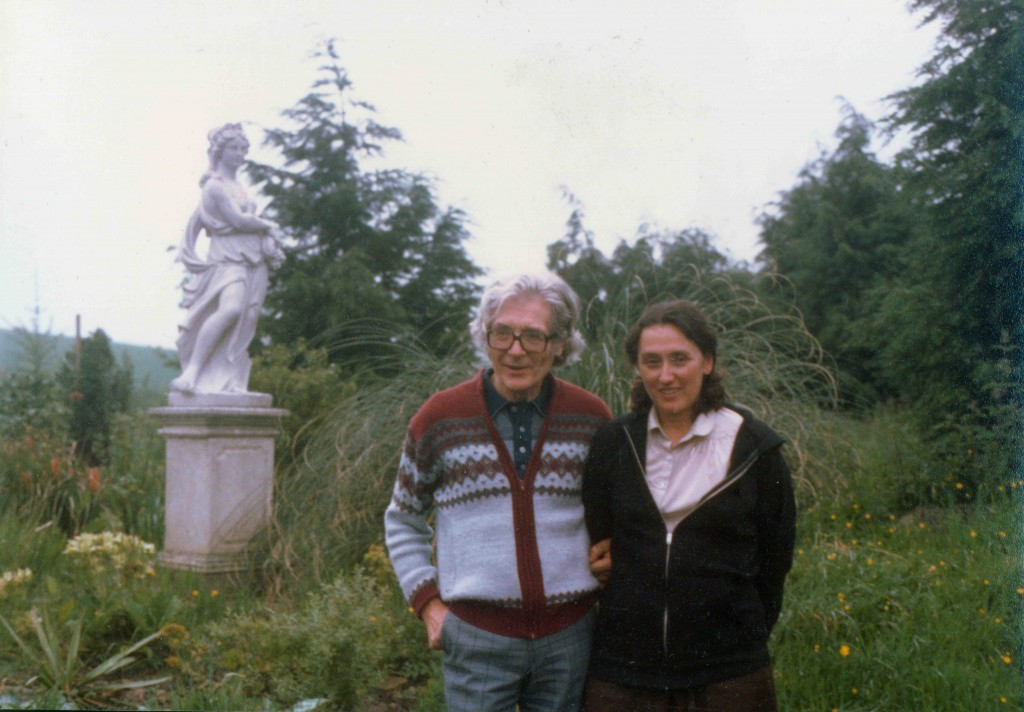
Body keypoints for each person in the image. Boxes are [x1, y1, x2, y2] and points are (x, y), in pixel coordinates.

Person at [384, 272, 612, 712]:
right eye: (502, 333)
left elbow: (614, 517)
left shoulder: (591, 418)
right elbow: (403, 518)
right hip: (477, 637)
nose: (515, 350)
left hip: (570, 637)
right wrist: (429, 605)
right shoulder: (440, 418)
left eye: (533, 336)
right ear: (485, 336)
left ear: (561, 343)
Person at [582, 299, 796, 712]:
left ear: (708, 361)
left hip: (728, 674)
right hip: (625, 672)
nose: (665, 376)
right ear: (638, 368)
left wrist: (740, 634)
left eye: (680, 359)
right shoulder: (613, 444)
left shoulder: (756, 447)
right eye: (651, 361)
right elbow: (600, 543)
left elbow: (775, 560)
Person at [170, 123, 284, 395]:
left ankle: (230, 377)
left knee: (248, 316)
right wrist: (270, 226)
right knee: (231, 309)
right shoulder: (215, 186)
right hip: (228, 258)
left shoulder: (239, 186)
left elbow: (247, 215)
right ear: (220, 151)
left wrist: (265, 236)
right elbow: (238, 219)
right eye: (235, 148)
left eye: (244, 149)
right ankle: (193, 371)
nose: (241, 154)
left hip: (253, 259)